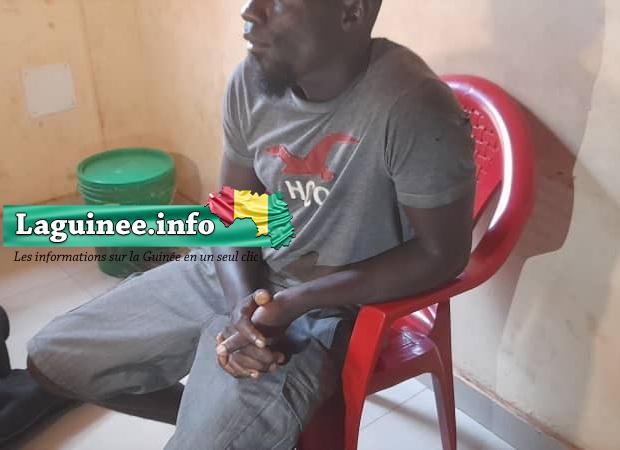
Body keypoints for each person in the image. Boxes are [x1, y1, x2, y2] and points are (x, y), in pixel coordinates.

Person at [2, 0, 477, 448]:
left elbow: (442, 254)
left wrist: (294, 302)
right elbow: (233, 212)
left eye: (277, 1)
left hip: (330, 311)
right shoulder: (252, 81)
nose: (249, 13)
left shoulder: (411, 105)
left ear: (352, 11)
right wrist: (244, 306)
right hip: (239, 277)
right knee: (52, 358)